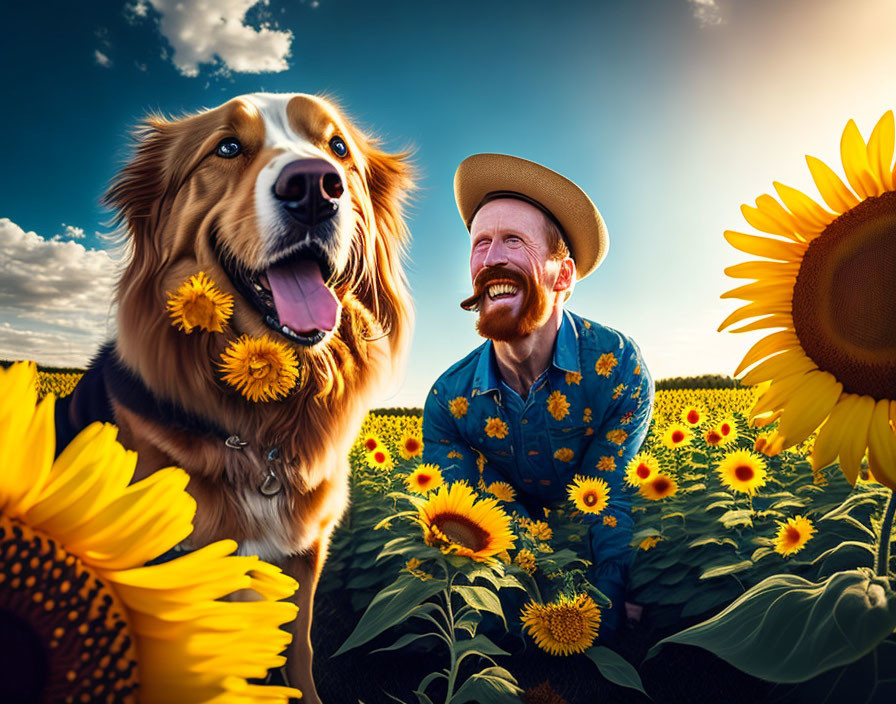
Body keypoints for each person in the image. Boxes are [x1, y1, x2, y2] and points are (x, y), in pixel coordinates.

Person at [421, 153, 654, 648]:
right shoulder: (448, 400)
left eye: (513, 240)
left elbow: (607, 501)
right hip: (514, 538)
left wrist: (599, 623)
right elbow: (466, 525)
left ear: (563, 276)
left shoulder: (617, 369)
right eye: (480, 243)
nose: (490, 259)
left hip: (594, 519)